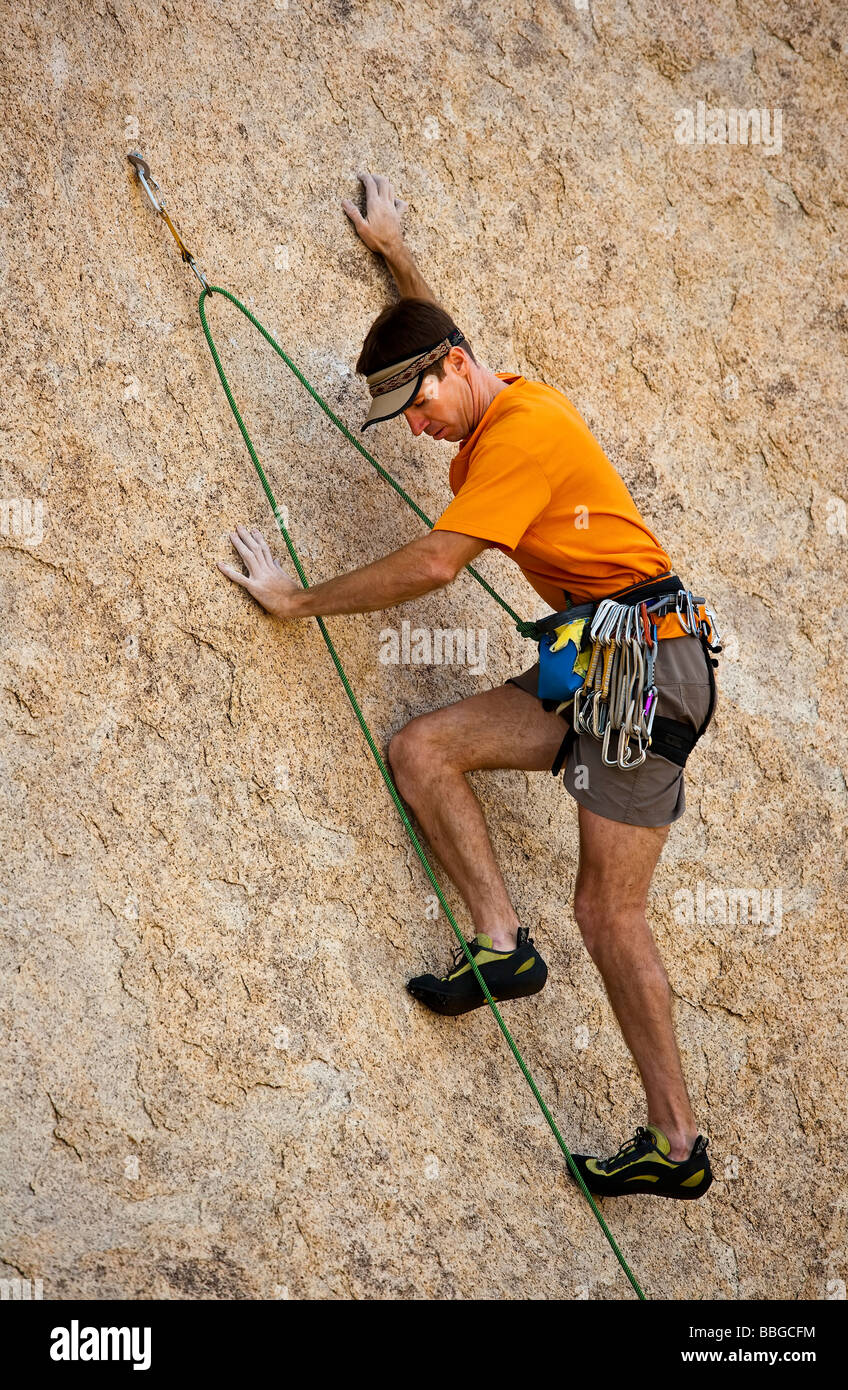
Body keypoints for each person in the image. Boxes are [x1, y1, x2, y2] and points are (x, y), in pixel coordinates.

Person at [216, 173, 718, 1201]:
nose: (413, 427)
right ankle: (500, 946)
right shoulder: (492, 403)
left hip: (646, 669)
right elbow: (442, 335)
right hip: (603, 659)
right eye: (399, 413)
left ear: (454, 371)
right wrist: (393, 256)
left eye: (416, 400)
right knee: (421, 748)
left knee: (607, 914)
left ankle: (675, 1146)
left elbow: (436, 565)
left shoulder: (521, 432)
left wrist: (297, 601)